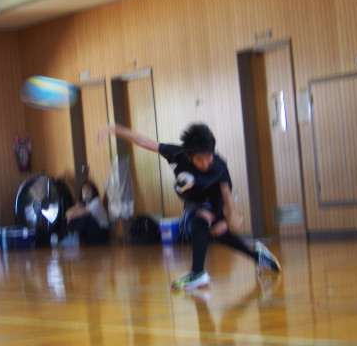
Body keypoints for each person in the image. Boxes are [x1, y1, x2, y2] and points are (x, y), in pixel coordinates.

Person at [99, 123, 281, 290]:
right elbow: (143, 141)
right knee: (221, 235)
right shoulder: (176, 154)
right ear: (189, 155)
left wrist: (232, 214)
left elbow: (226, 191)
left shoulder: (219, 165)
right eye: (199, 160)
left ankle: (197, 273)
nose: (205, 163)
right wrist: (114, 129)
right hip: (191, 197)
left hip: (212, 197)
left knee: (200, 220)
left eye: (208, 157)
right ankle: (258, 256)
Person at [62, 180, 110, 245]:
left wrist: (71, 215)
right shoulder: (86, 204)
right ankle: (71, 237)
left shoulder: (96, 202)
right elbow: (67, 213)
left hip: (102, 232)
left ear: (93, 191)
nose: (86, 191)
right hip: (92, 233)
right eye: (84, 189)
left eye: (88, 189)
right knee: (76, 218)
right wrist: (76, 207)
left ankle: (74, 238)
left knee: (85, 217)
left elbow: (84, 213)